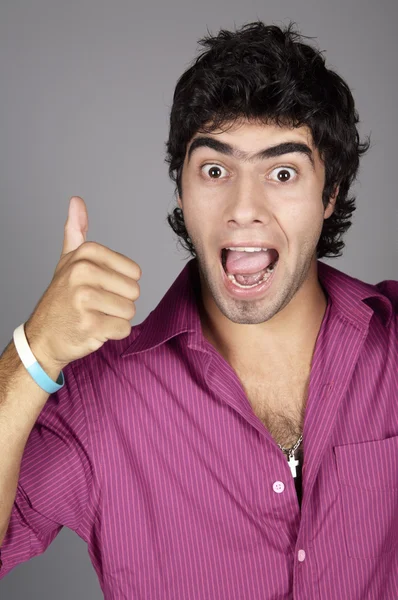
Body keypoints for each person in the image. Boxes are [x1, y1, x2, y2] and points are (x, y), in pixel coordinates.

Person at [0, 19, 397, 599]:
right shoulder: (99, 398)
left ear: (329, 192)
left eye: (282, 172)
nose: (243, 208)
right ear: (181, 190)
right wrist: (32, 353)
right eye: (215, 170)